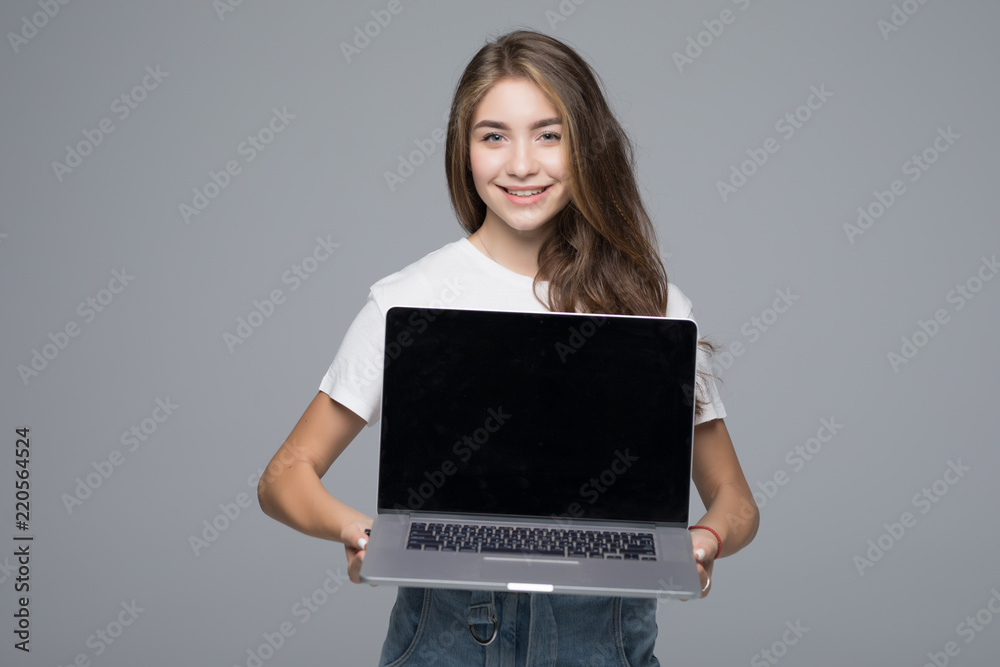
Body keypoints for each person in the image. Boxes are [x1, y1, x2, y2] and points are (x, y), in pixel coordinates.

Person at [258, 28, 759, 666]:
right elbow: (283, 476)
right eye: (493, 136)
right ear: (463, 151)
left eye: (549, 135)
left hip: (602, 650)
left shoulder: (653, 306)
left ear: (587, 146)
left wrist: (705, 541)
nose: (521, 164)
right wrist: (360, 532)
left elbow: (736, 499)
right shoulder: (412, 299)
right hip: (445, 648)